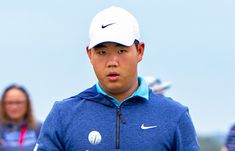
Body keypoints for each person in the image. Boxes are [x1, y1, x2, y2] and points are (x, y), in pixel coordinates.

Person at [35, 6, 200, 151]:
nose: (112, 62)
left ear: (140, 51)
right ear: (89, 54)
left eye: (121, 51)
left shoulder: (174, 115)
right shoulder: (62, 115)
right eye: (102, 52)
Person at [0, 84, 41, 151]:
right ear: (3, 105)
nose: (14, 107)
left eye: (18, 102)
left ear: (27, 104)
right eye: (10, 103)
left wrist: (5, 147)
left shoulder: (39, 128)